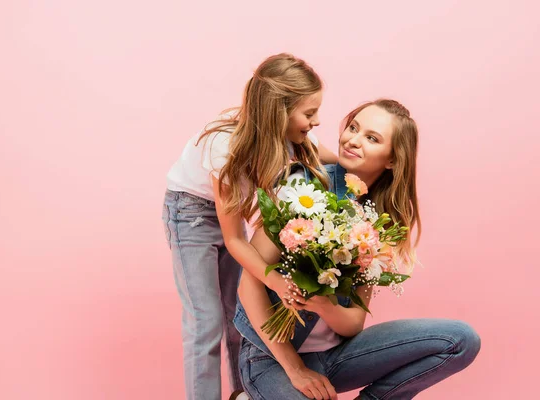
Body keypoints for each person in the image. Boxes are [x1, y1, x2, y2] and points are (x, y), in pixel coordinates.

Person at [235, 99, 481, 400]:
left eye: (371, 138)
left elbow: (353, 324)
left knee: (461, 340)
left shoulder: (377, 223)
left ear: (392, 160)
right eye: (353, 128)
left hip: (336, 358)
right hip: (272, 357)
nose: (353, 140)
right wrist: (296, 369)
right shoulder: (305, 188)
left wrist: (326, 307)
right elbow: (248, 285)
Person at [163, 53, 336, 400]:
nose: (316, 121)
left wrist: (378, 161)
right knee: (206, 320)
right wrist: (274, 278)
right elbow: (234, 240)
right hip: (191, 213)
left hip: (229, 214)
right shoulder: (225, 145)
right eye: (309, 112)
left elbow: (337, 163)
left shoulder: (292, 138)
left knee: (235, 318)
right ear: (279, 110)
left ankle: (243, 394)